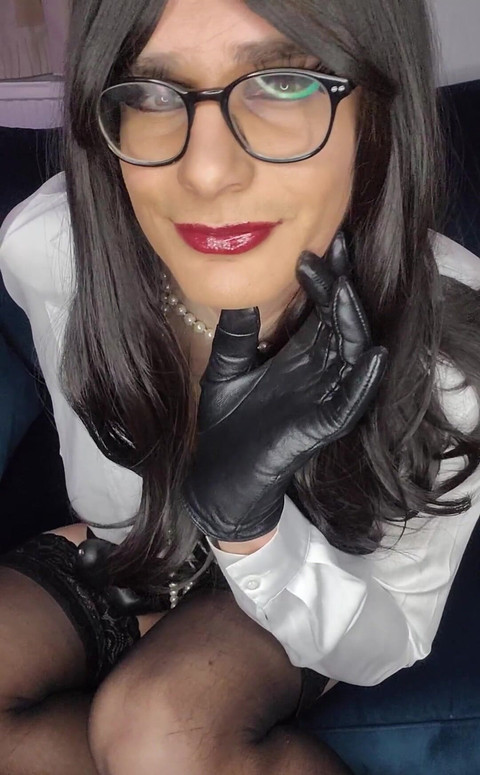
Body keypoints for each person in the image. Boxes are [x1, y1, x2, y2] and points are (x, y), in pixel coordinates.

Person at [0, 0, 479, 772]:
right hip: (139, 545)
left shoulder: (451, 338)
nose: (206, 170)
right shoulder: (50, 249)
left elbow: (392, 632)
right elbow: (105, 489)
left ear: (377, 113)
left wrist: (251, 528)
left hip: (312, 578)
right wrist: (150, 536)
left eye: (283, 82)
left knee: (161, 731)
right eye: (152, 92)